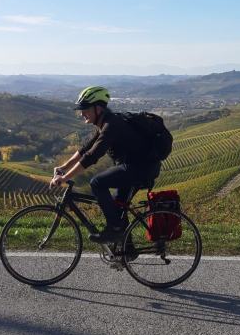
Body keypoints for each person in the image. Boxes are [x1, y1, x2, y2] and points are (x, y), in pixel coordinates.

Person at [51, 86, 161, 243]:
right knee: (116, 209)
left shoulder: (112, 125)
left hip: (141, 169)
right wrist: (63, 168)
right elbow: (85, 148)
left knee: (97, 182)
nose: (81, 113)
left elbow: (92, 156)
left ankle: (115, 230)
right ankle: (127, 249)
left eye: (85, 109)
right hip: (135, 167)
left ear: (98, 108)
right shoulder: (103, 124)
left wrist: (65, 177)